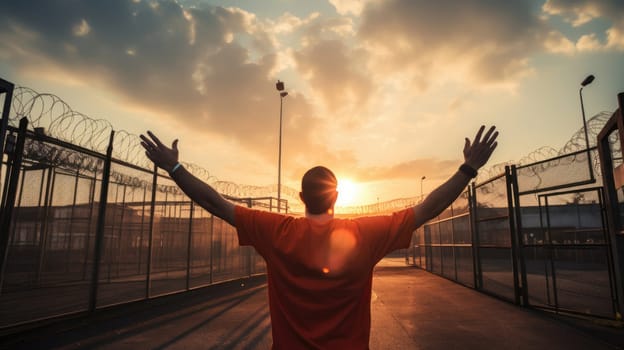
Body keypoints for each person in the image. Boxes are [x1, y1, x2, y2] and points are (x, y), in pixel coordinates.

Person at [140, 125, 498, 349]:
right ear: (337, 197)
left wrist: (173, 167)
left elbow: (212, 201)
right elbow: (427, 208)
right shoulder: (364, 234)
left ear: (300, 197)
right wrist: (468, 169)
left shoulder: (276, 231)